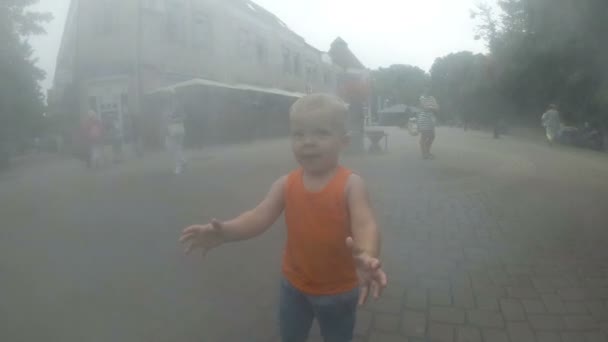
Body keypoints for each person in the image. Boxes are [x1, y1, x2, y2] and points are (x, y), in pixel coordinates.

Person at [179, 94, 388, 342]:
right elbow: (258, 217)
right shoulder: (286, 184)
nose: (307, 142)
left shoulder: (350, 184)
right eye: (299, 134)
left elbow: (365, 224)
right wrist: (226, 232)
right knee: (291, 335)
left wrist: (367, 254)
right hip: (294, 286)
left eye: (321, 133)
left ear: (344, 142)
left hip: (338, 291)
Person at [165, 98, 186, 174]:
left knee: (176, 148)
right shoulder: (168, 108)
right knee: (170, 147)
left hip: (178, 130)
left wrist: (173, 120)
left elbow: (184, 117)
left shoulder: (179, 108)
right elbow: (166, 119)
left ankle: (179, 166)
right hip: (170, 130)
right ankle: (182, 161)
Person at [417, 94, 439, 159]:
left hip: (431, 119)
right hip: (423, 119)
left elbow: (437, 108)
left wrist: (431, 107)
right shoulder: (422, 97)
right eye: (426, 88)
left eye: (429, 88)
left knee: (432, 136)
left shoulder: (432, 97)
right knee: (424, 137)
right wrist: (433, 107)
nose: (427, 90)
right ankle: (424, 154)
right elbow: (425, 108)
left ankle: (427, 151)